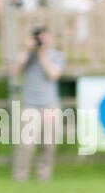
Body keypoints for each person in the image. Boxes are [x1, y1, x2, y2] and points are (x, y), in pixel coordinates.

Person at [12, 25, 65, 182]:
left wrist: (42, 54)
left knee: (48, 144)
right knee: (26, 145)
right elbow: (15, 70)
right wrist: (27, 51)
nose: (42, 39)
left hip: (49, 105)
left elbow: (53, 74)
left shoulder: (56, 55)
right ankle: (20, 176)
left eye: (44, 36)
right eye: (39, 36)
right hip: (30, 105)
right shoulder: (27, 55)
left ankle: (44, 177)